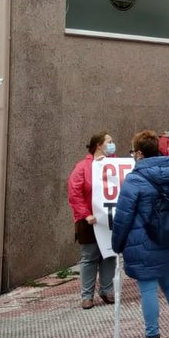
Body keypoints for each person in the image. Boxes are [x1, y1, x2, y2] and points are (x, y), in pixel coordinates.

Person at [112, 129, 169, 338]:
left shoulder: (135, 179)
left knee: (148, 288)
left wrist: (117, 244)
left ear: (138, 153)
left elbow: (123, 216)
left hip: (144, 241)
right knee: (168, 281)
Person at [67, 132, 118, 309]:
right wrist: (86, 214)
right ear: (98, 145)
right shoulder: (83, 167)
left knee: (109, 255)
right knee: (89, 257)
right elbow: (74, 193)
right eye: (109, 142)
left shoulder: (114, 165)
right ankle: (87, 295)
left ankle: (106, 290)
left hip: (108, 219)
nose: (113, 145)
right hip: (88, 221)